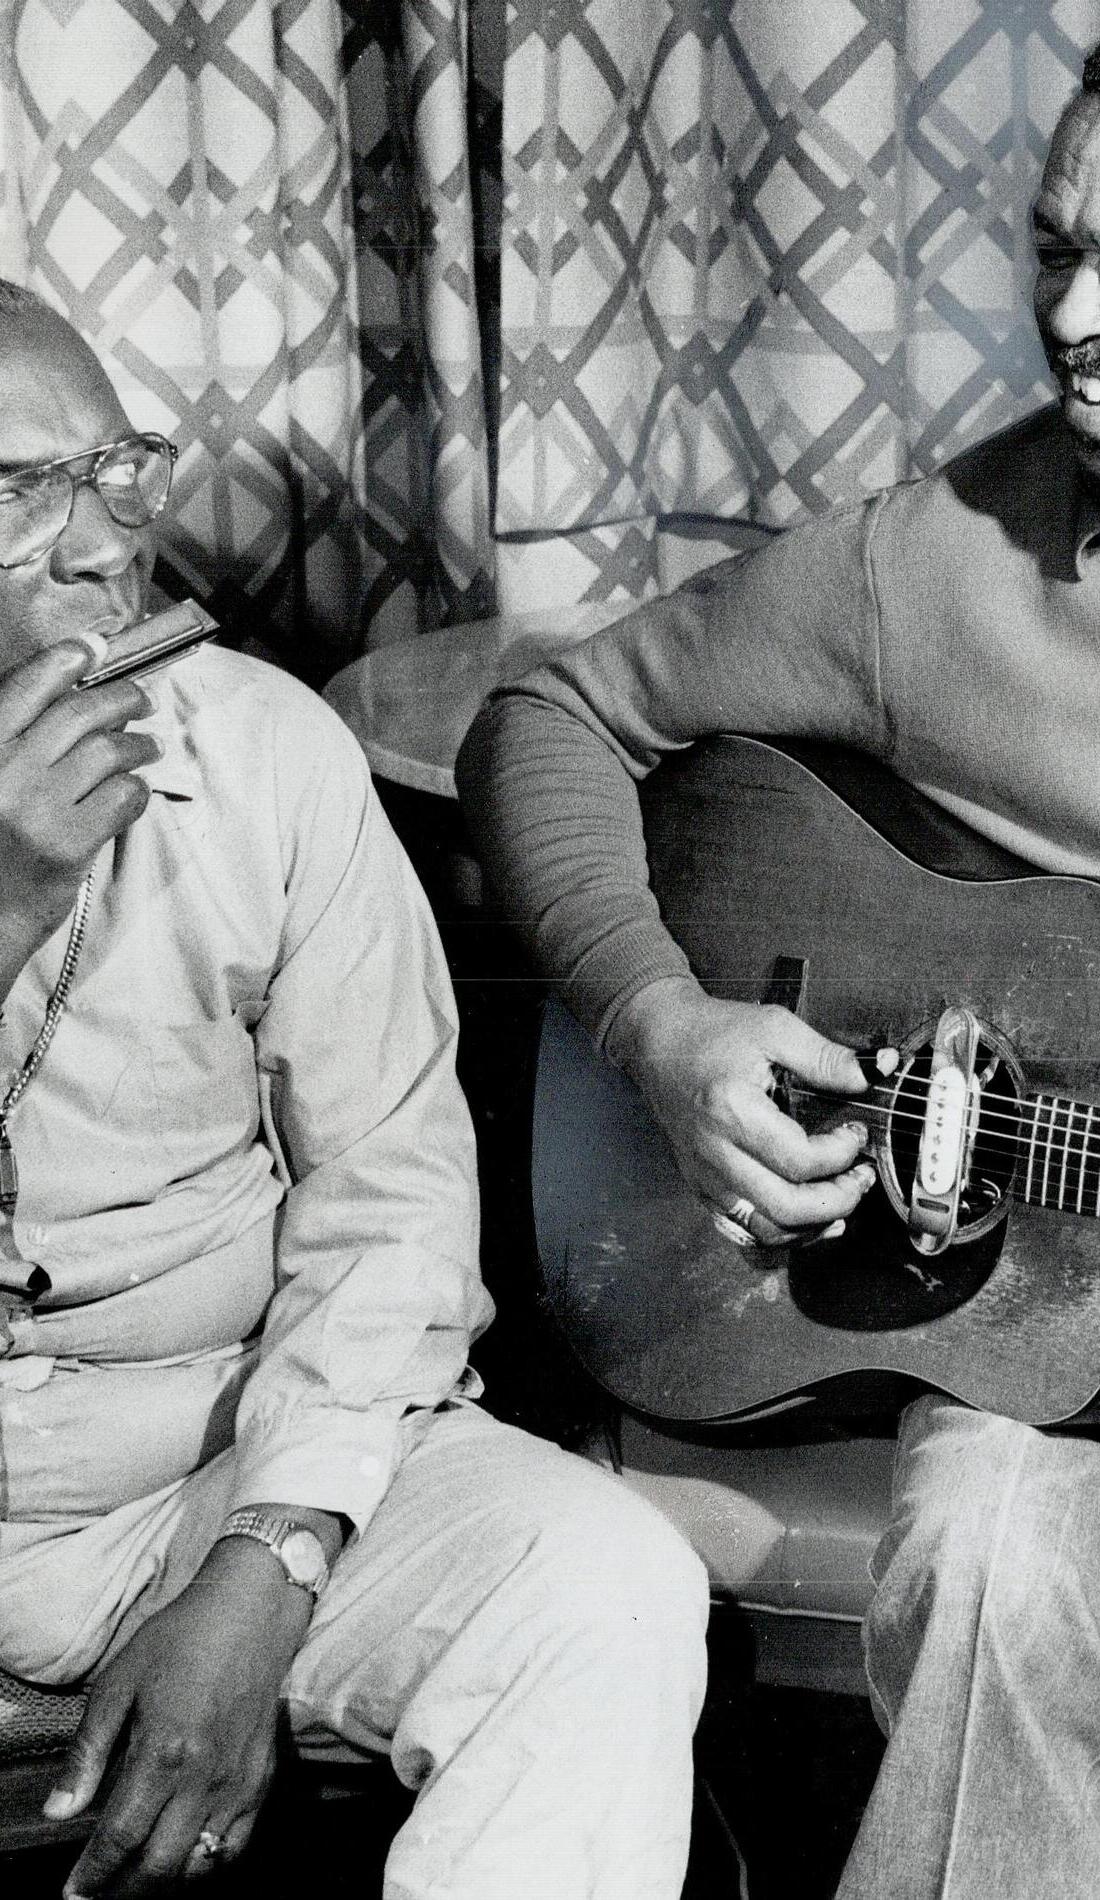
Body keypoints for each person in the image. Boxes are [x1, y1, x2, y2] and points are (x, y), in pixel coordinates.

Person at [456, 43, 1100, 1900]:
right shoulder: (940, 566)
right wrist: (661, 1030)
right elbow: (551, 716)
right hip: (1039, 1394)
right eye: (1050, 247)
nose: (1070, 315)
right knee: (992, 1545)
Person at [0, 284, 709, 1900]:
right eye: (15, 495)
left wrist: (266, 1557)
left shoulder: (268, 755)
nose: (110, 545)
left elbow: (388, 1194)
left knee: (598, 1588)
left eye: (118, 469)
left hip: (209, 1467)